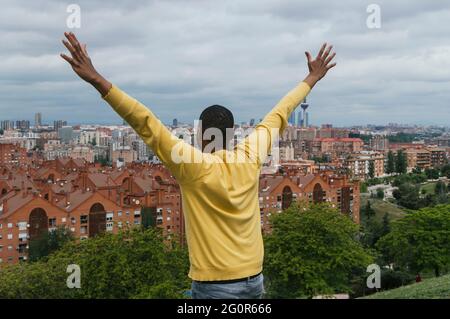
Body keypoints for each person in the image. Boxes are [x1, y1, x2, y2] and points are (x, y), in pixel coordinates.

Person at [60, 32, 336, 299]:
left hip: (214, 285)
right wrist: (312, 77)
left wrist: (96, 79)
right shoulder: (250, 157)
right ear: (232, 134)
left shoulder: (192, 166)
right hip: (254, 278)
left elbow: (146, 123)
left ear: (201, 134)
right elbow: (279, 113)